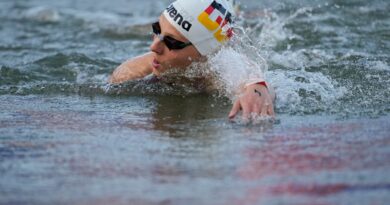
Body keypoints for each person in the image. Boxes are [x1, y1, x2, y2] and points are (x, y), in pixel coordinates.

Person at [109, 0, 275, 120]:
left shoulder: (217, 70)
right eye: (157, 29)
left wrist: (257, 88)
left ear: (204, 54)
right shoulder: (133, 72)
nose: (153, 47)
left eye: (171, 42)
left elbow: (250, 77)